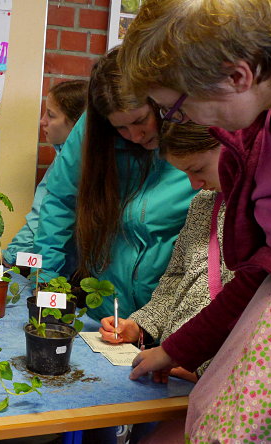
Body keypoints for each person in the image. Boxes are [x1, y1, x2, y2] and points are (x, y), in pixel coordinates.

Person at [117, 1, 271, 440]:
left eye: (176, 108)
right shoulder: (260, 131)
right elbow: (266, 271)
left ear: (237, 76)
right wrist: (176, 349)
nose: (180, 121)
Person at [33, 47, 197, 321]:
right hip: (108, 303)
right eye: (120, 128)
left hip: (166, 311)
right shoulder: (93, 129)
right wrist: (46, 277)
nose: (134, 135)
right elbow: (60, 200)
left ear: (161, 102)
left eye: (140, 120)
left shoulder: (196, 131)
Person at [99, 122, 232, 383]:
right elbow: (175, 280)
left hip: (217, 375)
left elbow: (245, 309)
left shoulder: (261, 213)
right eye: (185, 174)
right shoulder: (204, 204)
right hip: (177, 365)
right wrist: (140, 326)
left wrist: (201, 369)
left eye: (198, 169)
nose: (195, 185)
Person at [2, 80, 87, 270]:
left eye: (51, 115)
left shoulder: (69, 166)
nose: (42, 121)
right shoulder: (64, 158)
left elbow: (42, 221)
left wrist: (12, 257)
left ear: (76, 124)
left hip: (58, 268)